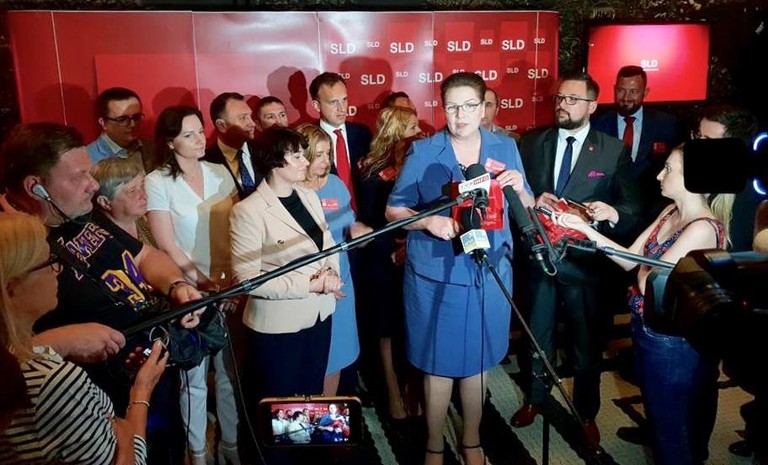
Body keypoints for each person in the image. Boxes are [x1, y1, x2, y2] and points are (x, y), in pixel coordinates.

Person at [0, 122, 204, 465]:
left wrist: (176, 285)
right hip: (90, 404)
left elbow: (145, 255)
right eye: (79, 176)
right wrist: (58, 342)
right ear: (36, 188)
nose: (93, 185)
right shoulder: (13, 244)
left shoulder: (80, 211)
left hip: (146, 375)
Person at [386, 72, 534, 465]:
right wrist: (427, 222)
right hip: (437, 277)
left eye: (469, 106)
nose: (460, 115)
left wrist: (520, 188)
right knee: (438, 365)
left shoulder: (505, 146)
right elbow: (393, 210)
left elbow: (528, 205)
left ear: (484, 107)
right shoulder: (423, 152)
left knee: (478, 361)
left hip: (490, 272)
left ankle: (471, 440)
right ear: (442, 108)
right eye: (452, 107)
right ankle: (434, 444)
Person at [553, 143, 732, 465]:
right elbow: (629, 260)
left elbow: (648, 282)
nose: (659, 175)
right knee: (662, 421)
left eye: (669, 169)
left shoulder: (702, 228)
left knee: (670, 434)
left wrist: (642, 269)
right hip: (648, 328)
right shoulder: (670, 212)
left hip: (672, 342)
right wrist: (583, 229)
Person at [512, 72, 641, 451]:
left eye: (572, 99)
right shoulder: (531, 143)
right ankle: (535, 398)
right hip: (541, 261)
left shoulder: (612, 150)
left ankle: (586, 414)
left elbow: (632, 206)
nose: (562, 105)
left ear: (592, 105)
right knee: (537, 337)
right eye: (559, 98)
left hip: (586, 267)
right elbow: (516, 194)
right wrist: (533, 200)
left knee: (586, 347)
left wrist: (611, 213)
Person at [0, 212, 169, 465]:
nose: (58, 269)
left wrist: (58, 342)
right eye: (49, 261)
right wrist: (140, 393)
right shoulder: (53, 384)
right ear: (12, 287)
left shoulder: (11, 357)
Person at [146, 106, 240, 465]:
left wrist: (232, 282)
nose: (200, 139)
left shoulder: (220, 172)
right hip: (189, 292)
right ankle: (197, 453)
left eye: (201, 131)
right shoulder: (157, 181)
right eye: (189, 134)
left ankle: (231, 444)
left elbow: (239, 228)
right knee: (194, 379)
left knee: (229, 374)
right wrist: (200, 282)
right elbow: (166, 244)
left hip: (229, 287)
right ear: (170, 142)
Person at [230, 126, 342, 402]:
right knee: (280, 407)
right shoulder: (248, 211)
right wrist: (310, 285)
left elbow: (327, 243)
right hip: (278, 327)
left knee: (311, 399)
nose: (305, 162)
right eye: (297, 157)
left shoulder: (308, 195)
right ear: (274, 162)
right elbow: (247, 279)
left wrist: (332, 274)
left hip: (320, 315)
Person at [359, 105, 424, 420]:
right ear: (396, 131)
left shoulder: (420, 160)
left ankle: (414, 388)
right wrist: (390, 247)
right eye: (412, 126)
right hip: (383, 255)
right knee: (385, 325)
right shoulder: (372, 170)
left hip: (415, 252)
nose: (419, 131)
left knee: (413, 324)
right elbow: (370, 219)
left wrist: (410, 245)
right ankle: (392, 391)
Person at [296, 123, 371, 397]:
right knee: (308, 360)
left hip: (342, 284)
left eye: (328, 154)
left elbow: (349, 224)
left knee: (337, 354)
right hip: (308, 287)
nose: (326, 161)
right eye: (318, 155)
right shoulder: (290, 192)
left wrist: (359, 231)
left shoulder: (337, 185)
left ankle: (328, 409)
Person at [591, 65, 686, 237]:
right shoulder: (597, 125)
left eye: (633, 91)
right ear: (614, 90)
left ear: (645, 92)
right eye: (621, 90)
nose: (626, 97)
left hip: (655, 214)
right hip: (611, 216)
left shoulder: (667, 124)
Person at [86, 87, 158, 173]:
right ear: (103, 123)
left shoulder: (154, 150)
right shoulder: (88, 159)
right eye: (122, 119)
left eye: (136, 117)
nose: (132, 124)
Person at [203, 92, 259, 199]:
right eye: (243, 118)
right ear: (222, 125)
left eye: (250, 116)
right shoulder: (205, 163)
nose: (252, 124)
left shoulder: (264, 151)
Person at [91, 156, 155, 246]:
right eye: (132, 191)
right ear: (104, 202)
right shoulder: (101, 242)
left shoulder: (144, 219)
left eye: (141, 186)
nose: (144, 195)